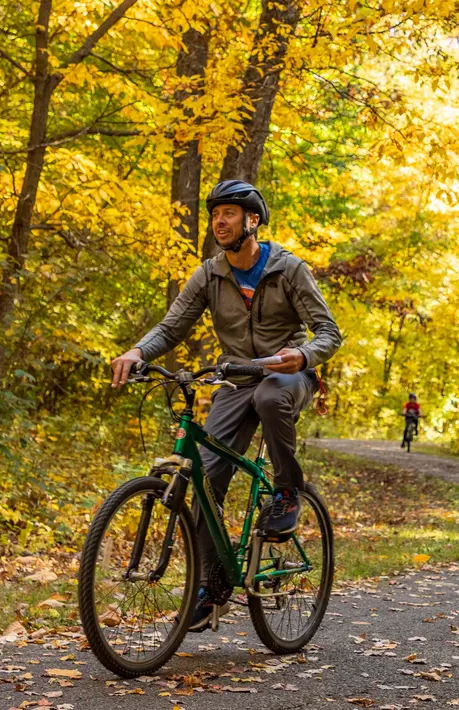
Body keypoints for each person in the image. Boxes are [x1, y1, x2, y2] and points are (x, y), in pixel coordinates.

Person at [109, 180, 342, 630]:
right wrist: (138, 352)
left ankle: (288, 490)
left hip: (285, 373)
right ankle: (212, 587)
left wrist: (305, 355)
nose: (220, 220)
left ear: (252, 221)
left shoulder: (289, 270)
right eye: (216, 213)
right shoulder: (210, 274)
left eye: (230, 213)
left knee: (273, 395)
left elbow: (329, 332)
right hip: (234, 382)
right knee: (206, 478)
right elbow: (172, 326)